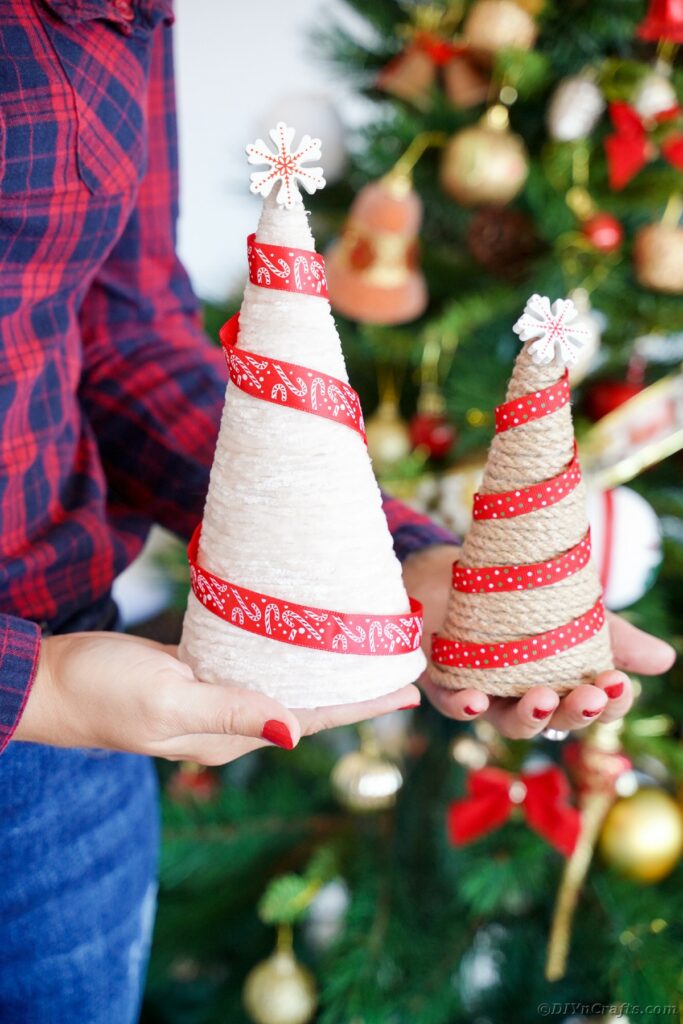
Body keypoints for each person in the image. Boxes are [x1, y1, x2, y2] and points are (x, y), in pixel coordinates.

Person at [0, 4, 674, 1022]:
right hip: (56, 698)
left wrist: (394, 558)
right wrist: (29, 688)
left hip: (58, 770)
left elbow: (118, 333)